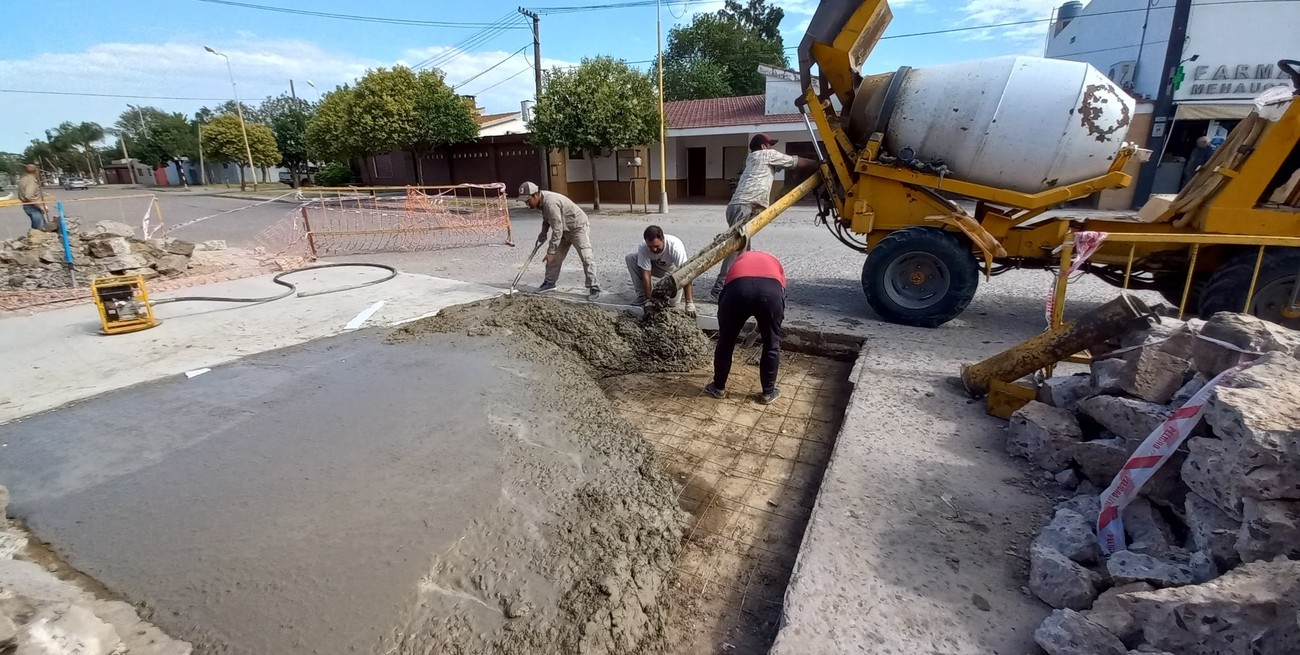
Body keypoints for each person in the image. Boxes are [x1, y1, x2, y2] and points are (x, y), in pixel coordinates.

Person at [711, 134, 812, 301]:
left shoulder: (751, 158)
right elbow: (795, 162)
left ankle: (738, 285)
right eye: (770, 145)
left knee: (744, 252)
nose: (771, 148)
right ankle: (719, 288)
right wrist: (820, 164)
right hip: (745, 206)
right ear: (764, 146)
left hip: (737, 206)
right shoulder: (767, 155)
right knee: (736, 249)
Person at [705, 250, 786, 405]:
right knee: (771, 343)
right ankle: (768, 392)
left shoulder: (739, 261)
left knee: (726, 341)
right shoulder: (776, 264)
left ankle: (718, 387)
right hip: (770, 294)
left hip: (738, 290)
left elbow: (726, 290)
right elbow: (780, 299)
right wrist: (763, 329)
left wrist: (726, 328)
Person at [518, 181, 601, 302]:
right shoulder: (542, 201)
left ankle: (594, 286)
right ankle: (549, 283)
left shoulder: (550, 202)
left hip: (577, 228)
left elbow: (557, 229)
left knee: (586, 257)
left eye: (528, 200)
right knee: (555, 258)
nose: (527, 204)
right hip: (564, 230)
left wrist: (551, 251)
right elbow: (547, 219)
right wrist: (543, 233)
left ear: (535, 195)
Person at [626, 225, 695, 315]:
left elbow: (686, 273)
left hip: (673, 272)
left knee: (672, 303)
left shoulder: (675, 246)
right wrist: (649, 300)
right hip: (655, 267)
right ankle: (642, 296)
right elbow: (646, 275)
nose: (654, 249)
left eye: (656, 246)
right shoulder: (644, 247)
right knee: (631, 258)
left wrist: (689, 303)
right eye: (650, 247)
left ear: (662, 239)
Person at [17, 164, 48, 235]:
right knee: (39, 228)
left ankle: (34, 238)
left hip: (27, 205)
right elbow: (29, 196)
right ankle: (37, 240)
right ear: (35, 171)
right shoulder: (31, 180)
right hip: (32, 206)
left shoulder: (23, 179)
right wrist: (40, 206)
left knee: (38, 226)